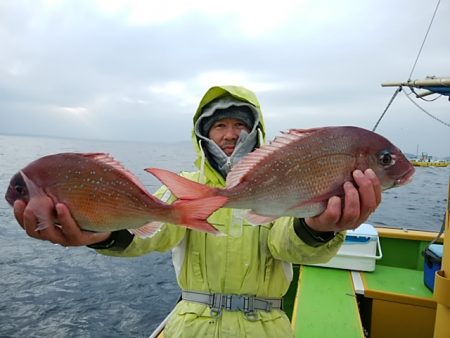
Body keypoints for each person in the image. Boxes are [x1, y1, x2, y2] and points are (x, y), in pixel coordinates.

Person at [13, 85, 382, 337]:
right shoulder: (183, 185)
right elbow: (153, 231)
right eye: (219, 124)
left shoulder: (283, 178)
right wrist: (101, 233)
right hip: (191, 326)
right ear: (204, 133)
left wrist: (320, 228)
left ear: (256, 130)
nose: (230, 134)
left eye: (240, 124)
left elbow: (287, 245)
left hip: (265, 327)